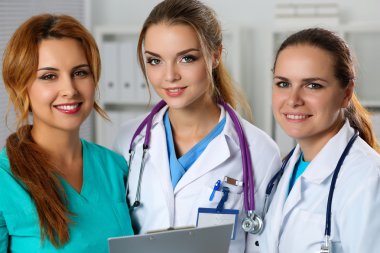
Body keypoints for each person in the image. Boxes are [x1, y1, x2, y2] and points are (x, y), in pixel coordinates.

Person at [114, 0, 281, 252]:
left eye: (186, 58)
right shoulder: (128, 141)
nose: (169, 76)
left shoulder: (259, 151)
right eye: (155, 61)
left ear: (215, 56)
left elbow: (263, 246)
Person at [0, 14, 133, 252]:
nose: (69, 90)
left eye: (80, 73)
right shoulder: (5, 179)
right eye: (49, 76)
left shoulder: (116, 167)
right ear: (21, 85)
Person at [261, 27, 380, 252]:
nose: (293, 100)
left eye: (312, 85)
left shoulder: (367, 180)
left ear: (346, 94)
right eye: (283, 83)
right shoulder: (285, 170)